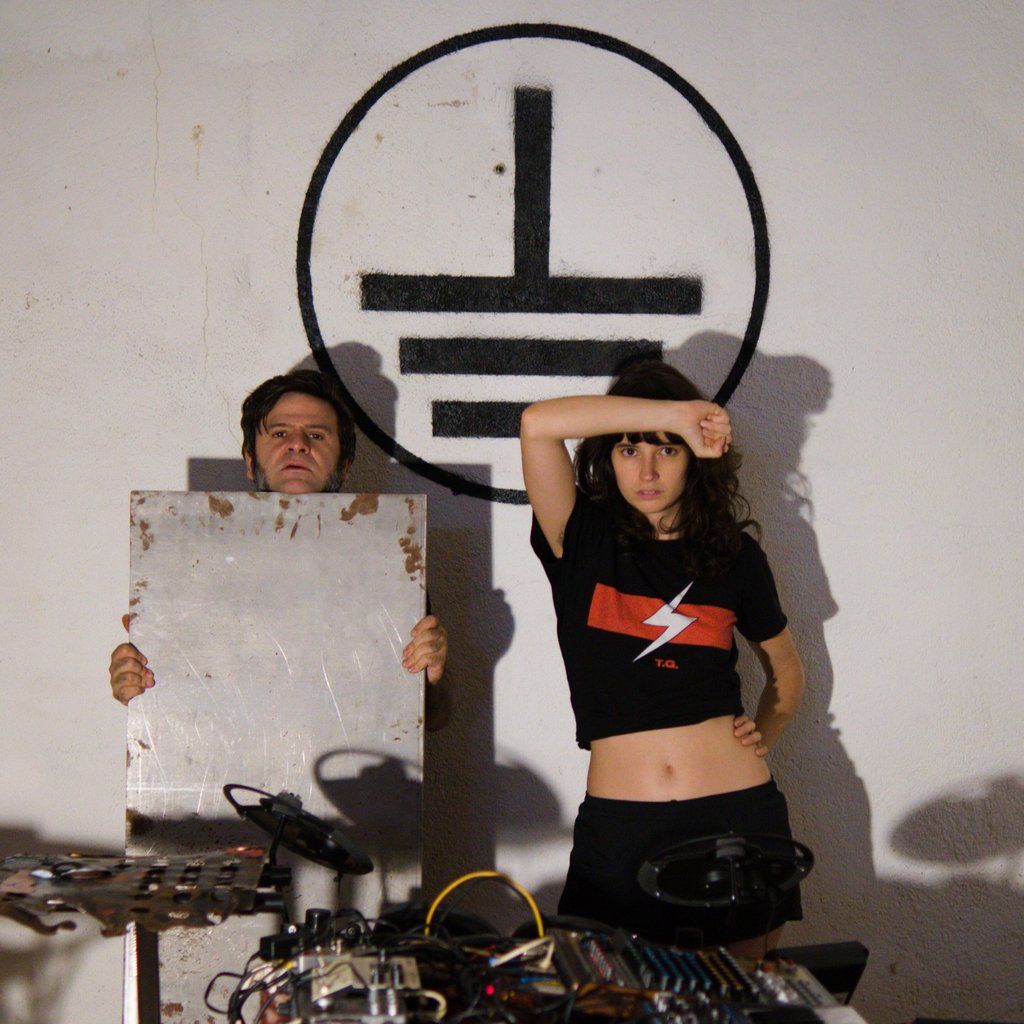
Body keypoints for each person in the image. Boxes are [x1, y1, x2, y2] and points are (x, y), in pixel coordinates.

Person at [520, 358, 804, 956]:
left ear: (693, 459)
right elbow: (537, 424)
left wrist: (765, 733)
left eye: (667, 451)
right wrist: (675, 416)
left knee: (736, 998)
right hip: (622, 824)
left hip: (736, 814)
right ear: (608, 458)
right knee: (609, 995)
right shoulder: (581, 537)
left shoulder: (735, 556)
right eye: (629, 450)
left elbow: (787, 672)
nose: (646, 471)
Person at [108, 369, 450, 724]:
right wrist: (138, 681)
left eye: (316, 435)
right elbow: (177, 712)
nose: (298, 444)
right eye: (280, 433)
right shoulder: (186, 558)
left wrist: (434, 675)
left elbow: (434, 720)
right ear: (250, 460)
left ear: (344, 465)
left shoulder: (391, 561)